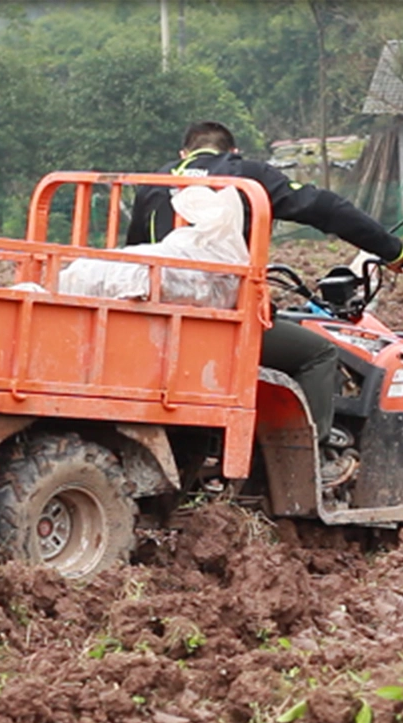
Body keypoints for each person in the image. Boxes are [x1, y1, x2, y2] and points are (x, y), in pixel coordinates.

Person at [126, 121, 403, 487]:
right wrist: (392, 250)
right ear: (232, 151)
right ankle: (315, 464)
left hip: (160, 318)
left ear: (184, 153)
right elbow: (326, 208)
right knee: (319, 354)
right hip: (222, 322)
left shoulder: (155, 182)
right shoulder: (244, 176)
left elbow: (132, 250)